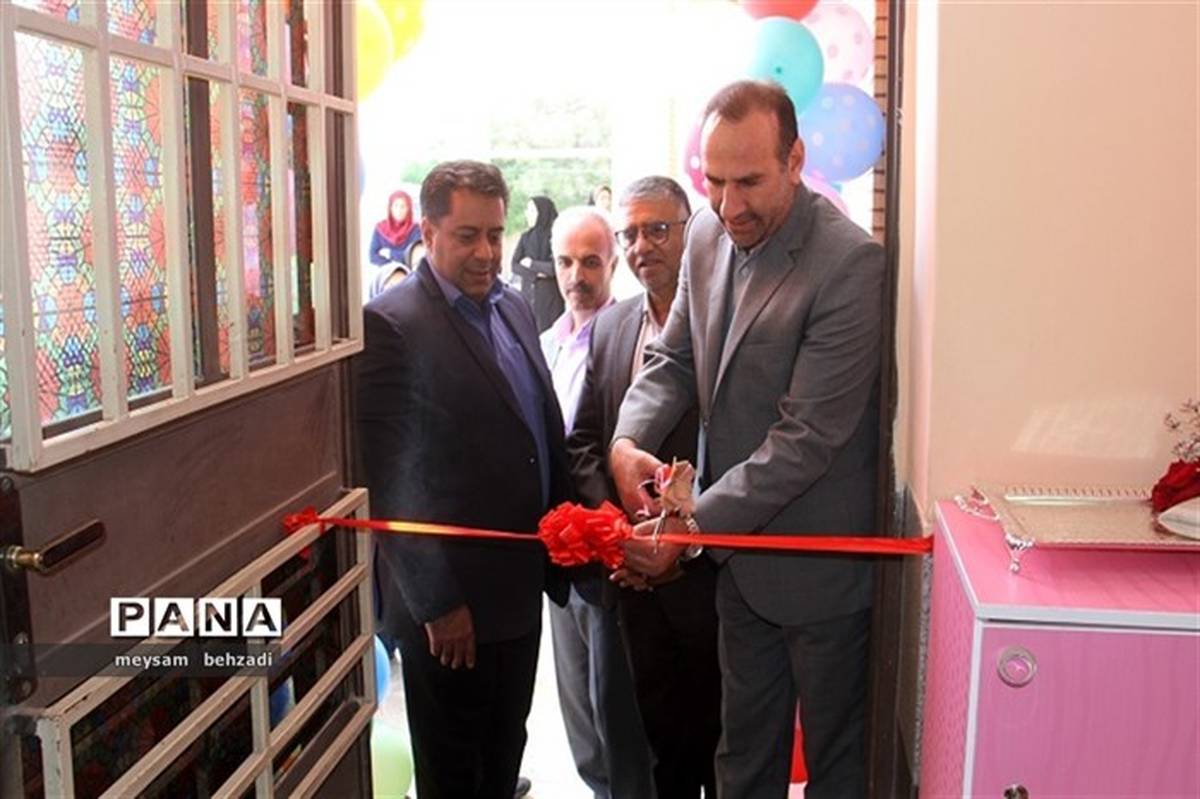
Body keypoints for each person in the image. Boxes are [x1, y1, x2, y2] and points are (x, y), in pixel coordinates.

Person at [610, 80, 885, 798]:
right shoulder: (705, 236)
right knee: (741, 763)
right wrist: (626, 440)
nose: (729, 206)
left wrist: (690, 526)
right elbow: (672, 360)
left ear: (795, 160)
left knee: (838, 773)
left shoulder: (850, 264)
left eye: (750, 182)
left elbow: (807, 437)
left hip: (823, 576)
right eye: (715, 181)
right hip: (737, 569)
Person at [357, 160, 570, 799]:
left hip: (518, 591)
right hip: (451, 615)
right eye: (468, 235)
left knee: (503, 757)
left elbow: (534, 432)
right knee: (455, 776)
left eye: (496, 235)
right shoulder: (391, 324)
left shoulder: (513, 307)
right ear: (428, 232)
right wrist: (438, 603)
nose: (486, 253)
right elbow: (391, 476)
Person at [568, 176, 721, 799]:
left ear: (692, 231)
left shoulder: (723, 324)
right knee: (657, 753)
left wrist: (683, 538)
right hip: (631, 584)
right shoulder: (611, 327)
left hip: (708, 584)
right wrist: (617, 532)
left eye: (658, 229)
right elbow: (584, 441)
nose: (642, 246)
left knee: (719, 751)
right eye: (629, 234)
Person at [540, 206, 654, 799]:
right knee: (579, 717)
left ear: (613, 263)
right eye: (565, 262)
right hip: (559, 555)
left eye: (590, 261)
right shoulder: (543, 343)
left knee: (617, 712)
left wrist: (617, 534)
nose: (576, 276)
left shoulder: (630, 336)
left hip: (614, 554)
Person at [511, 196, 563, 333]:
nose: (527, 214)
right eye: (528, 210)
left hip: (550, 298)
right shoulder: (526, 237)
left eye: (532, 210)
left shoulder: (556, 237)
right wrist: (537, 274)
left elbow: (556, 267)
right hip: (529, 296)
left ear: (542, 212)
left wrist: (532, 264)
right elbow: (514, 265)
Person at [368, 190, 422, 288]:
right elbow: (372, 255)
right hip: (385, 278)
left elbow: (413, 256)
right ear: (390, 208)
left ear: (408, 209)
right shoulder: (380, 228)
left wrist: (390, 253)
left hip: (408, 279)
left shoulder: (415, 229)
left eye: (403, 206)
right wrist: (392, 266)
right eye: (396, 206)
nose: (399, 210)